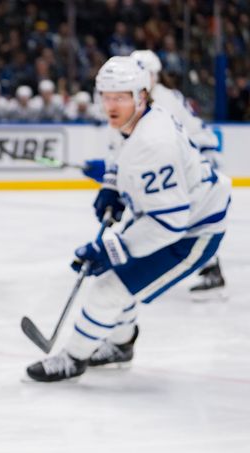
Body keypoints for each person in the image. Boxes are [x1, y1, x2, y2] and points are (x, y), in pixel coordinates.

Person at [26, 57, 230, 382]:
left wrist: (112, 249)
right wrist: (112, 185)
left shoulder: (153, 143)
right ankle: (121, 346)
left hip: (193, 230)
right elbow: (120, 154)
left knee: (109, 287)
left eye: (120, 97)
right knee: (116, 280)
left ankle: (73, 358)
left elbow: (169, 224)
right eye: (106, 96)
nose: (111, 105)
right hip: (174, 214)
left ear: (141, 96)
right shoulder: (140, 119)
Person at [130, 49, 226, 297]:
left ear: (153, 75)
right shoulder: (149, 97)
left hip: (197, 159)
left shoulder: (162, 98)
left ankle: (211, 271)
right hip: (188, 159)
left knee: (185, 217)